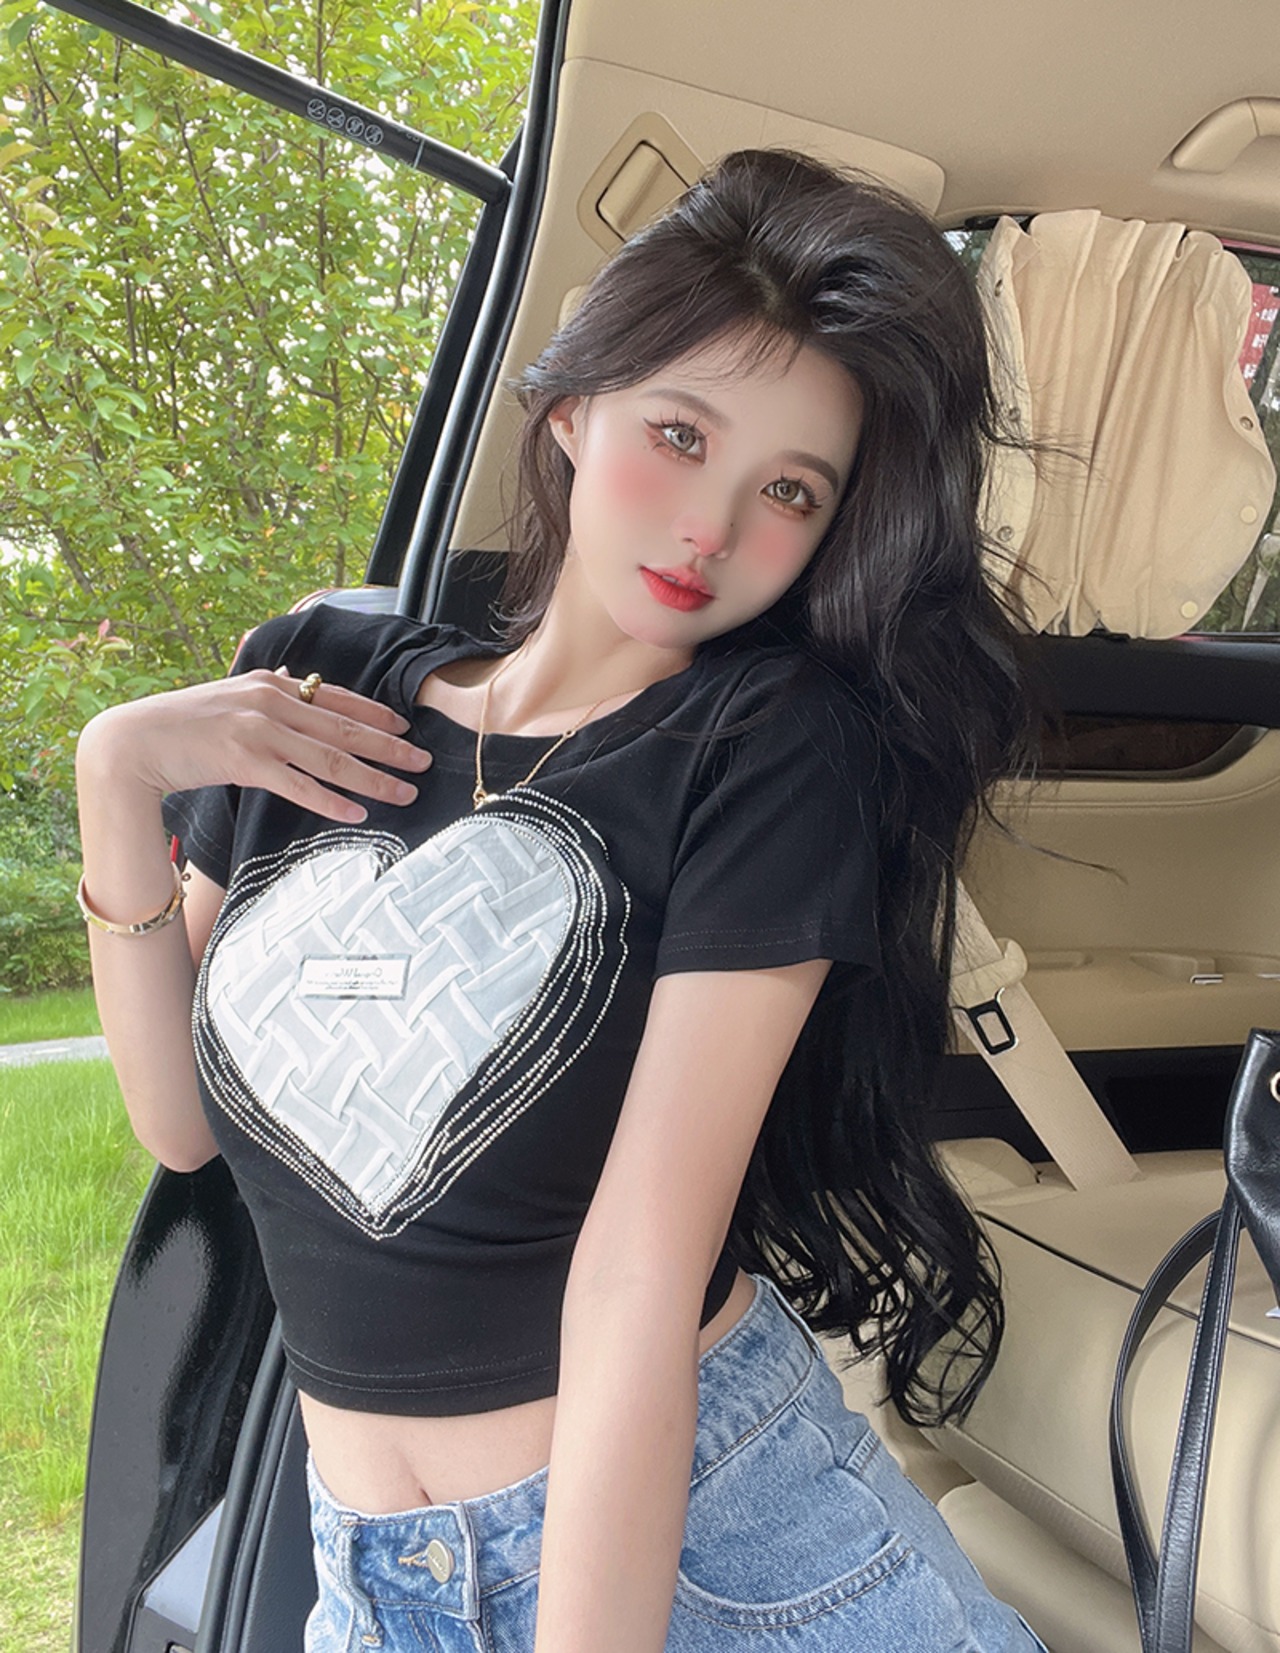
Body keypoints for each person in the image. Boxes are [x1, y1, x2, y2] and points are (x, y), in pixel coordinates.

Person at [76, 148, 1049, 1652]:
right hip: (371, 1568)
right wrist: (117, 773)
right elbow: (181, 1125)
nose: (710, 527)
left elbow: (639, 1270)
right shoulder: (320, 683)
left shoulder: (767, 748)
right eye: (680, 433)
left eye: (789, 491)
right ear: (575, 405)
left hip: (714, 1546)